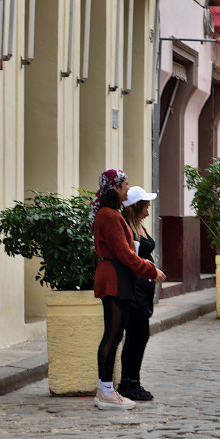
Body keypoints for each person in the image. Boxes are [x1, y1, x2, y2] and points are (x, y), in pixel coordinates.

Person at [91, 169, 166, 411]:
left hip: (117, 277)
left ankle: (107, 390)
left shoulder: (111, 214)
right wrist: (150, 270)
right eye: (125, 184)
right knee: (112, 337)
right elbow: (124, 253)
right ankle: (106, 391)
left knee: (115, 336)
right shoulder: (110, 216)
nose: (127, 188)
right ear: (115, 188)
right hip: (114, 278)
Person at [118, 185, 160, 402]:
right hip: (134, 288)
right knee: (137, 334)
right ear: (136, 206)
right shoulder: (127, 229)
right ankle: (129, 383)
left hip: (144, 287)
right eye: (145, 203)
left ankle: (131, 381)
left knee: (138, 335)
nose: (149, 207)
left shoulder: (139, 226)